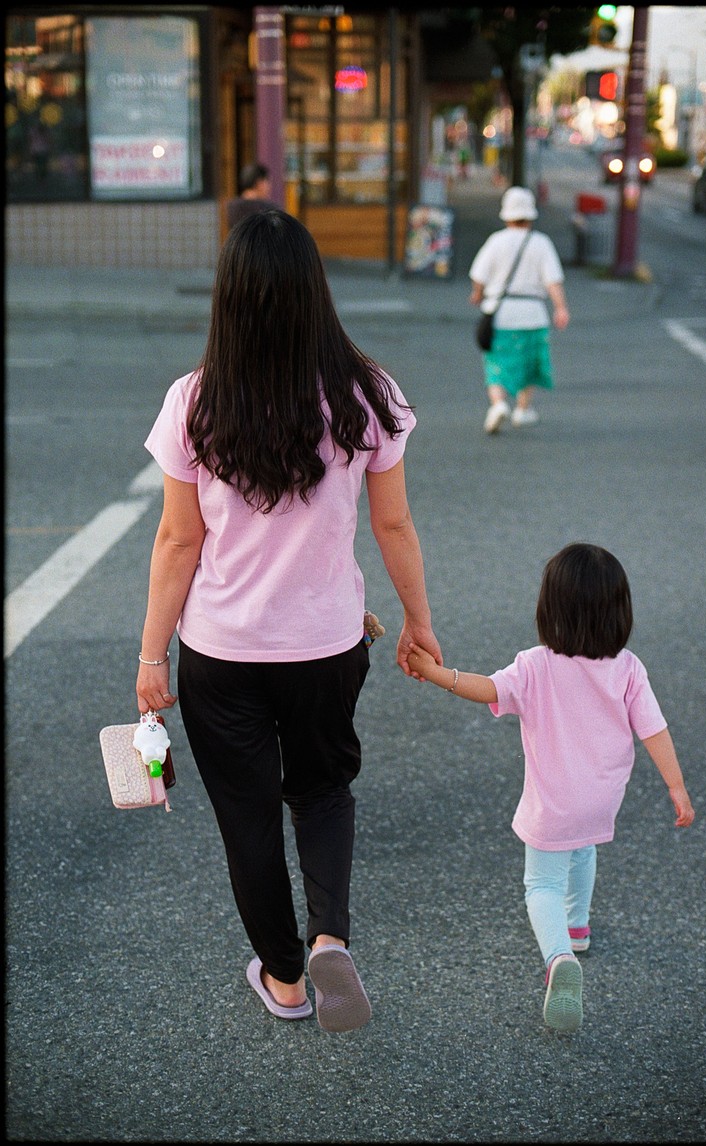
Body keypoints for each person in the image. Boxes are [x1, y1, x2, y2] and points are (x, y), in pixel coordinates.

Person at [136, 208, 442, 1034]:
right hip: (329, 643)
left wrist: (150, 656)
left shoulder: (195, 401)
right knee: (323, 790)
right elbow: (395, 527)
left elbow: (176, 539)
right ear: (316, 289)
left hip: (220, 650)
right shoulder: (366, 393)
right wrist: (417, 621)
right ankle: (330, 936)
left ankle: (283, 979)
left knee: (247, 817)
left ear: (228, 298)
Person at [406, 542, 694, 1033]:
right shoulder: (627, 667)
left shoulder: (536, 665)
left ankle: (560, 958)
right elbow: (654, 729)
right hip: (601, 799)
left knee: (541, 883)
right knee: (582, 850)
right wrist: (677, 786)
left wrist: (437, 675)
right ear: (620, 611)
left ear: (550, 609)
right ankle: (577, 927)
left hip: (553, 804)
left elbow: (488, 689)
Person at [469, 186, 570, 434]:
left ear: (506, 215)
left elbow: (479, 275)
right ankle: (522, 410)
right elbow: (553, 281)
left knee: (495, 362)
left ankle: (498, 404)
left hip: (500, 312)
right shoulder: (541, 243)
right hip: (532, 314)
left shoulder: (495, 241)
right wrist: (560, 307)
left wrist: (478, 294)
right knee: (528, 363)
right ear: (530, 215)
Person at [225, 162, 277, 230]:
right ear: (259, 183)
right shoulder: (268, 208)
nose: (269, 187)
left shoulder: (231, 206)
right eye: (267, 182)